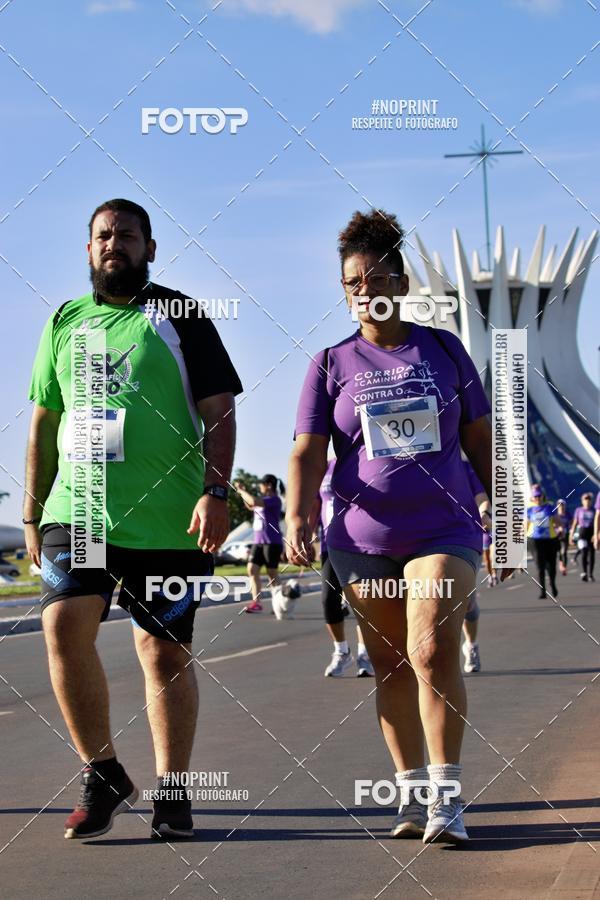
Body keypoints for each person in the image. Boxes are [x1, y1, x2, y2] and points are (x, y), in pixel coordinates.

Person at [286, 208, 512, 845]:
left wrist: (508, 518)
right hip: (361, 538)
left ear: (400, 282)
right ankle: (411, 794)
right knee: (388, 664)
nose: (365, 291)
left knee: (433, 648)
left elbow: (479, 438)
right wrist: (300, 513)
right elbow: (307, 450)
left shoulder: (442, 349)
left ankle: (446, 798)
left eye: (376, 278)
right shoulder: (331, 362)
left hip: (445, 526)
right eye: (353, 282)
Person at [24, 198, 242, 840]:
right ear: (88, 250)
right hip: (82, 511)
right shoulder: (65, 320)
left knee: (163, 653)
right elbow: (43, 421)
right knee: (64, 625)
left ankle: (173, 791)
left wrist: (216, 492)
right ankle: (102, 772)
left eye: (126, 234)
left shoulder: (180, 316)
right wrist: (33, 511)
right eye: (101, 235)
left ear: (150, 248)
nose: (112, 243)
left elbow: (219, 411)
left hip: (169, 521)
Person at [309, 459, 374, 677]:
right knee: (329, 600)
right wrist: (308, 535)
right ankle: (342, 651)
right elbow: (315, 504)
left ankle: (365, 654)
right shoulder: (324, 466)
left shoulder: (362, 459)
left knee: (362, 603)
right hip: (330, 544)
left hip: (360, 544)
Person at [234, 475, 285, 613]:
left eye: (261, 484)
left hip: (272, 542)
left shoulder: (274, 500)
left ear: (268, 485)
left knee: (272, 573)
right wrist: (242, 491)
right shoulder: (262, 502)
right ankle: (256, 603)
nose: (260, 487)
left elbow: (254, 501)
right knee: (252, 569)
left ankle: (280, 602)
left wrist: (241, 491)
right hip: (258, 542)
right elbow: (250, 505)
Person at [461, 460, 492, 675]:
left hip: (462, 538)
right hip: (416, 540)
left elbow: (481, 496)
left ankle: (471, 645)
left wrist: (484, 513)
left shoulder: (464, 467)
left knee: (467, 602)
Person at [526, 485, 561, 599]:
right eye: (535, 496)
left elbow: (557, 521)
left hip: (550, 539)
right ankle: (543, 590)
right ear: (532, 497)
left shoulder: (550, 507)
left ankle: (553, 583)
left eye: (539, 496)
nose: (537, 498)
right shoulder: (529, 509)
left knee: (551, 565)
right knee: (540, 566)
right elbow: (525, 525)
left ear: (542, 496)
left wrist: (560, 528)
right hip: (535, 540)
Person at [570, 492, 596, 582]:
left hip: (591, 533)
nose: (587, 501)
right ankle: (584, 572)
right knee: (584, 552)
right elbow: (574, 523)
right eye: (585, 499)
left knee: (591, 554)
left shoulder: (594, 510)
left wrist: (596, 535)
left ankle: (591, 574)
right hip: (582, 533)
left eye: (589, 499)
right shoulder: (578, 510)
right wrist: (571, 535)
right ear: (582, 501)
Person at [556, 499, 570, 576]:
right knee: (559, 552)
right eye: (559, 504)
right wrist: (558, 528)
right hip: (556, 535)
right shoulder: (555, 515)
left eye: (562, 504)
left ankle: (564, 567)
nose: (561, 506)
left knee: (564, 551)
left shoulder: (567, 514)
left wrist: (569, 530)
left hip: (565, 535)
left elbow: (571, 522)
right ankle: (561, 564)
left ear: (564, 505)